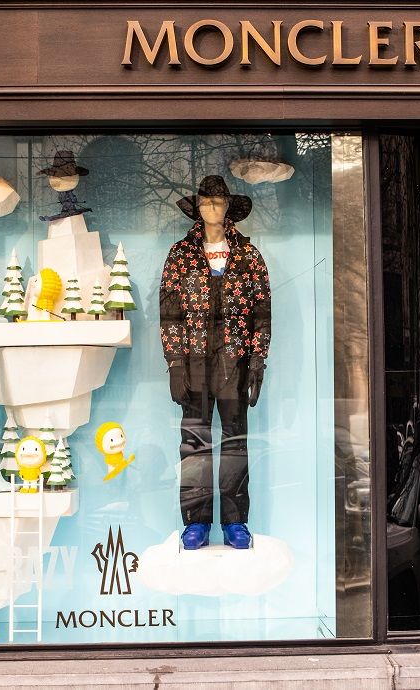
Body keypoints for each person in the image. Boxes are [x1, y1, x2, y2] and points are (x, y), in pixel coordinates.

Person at [160, 175, 271, 550]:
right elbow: (170, 313)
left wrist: (257, 360)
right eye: (205, 201)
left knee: (235, 442)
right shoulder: (181, 255)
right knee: (195, 442)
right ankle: (197, 522)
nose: (211, 207)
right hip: (193, 360)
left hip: (234, 360)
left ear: (227, 208)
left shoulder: (249, 256)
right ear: (197, 207)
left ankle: (235, 521)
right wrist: (175, 363)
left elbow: (262, 312)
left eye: (218, 201)